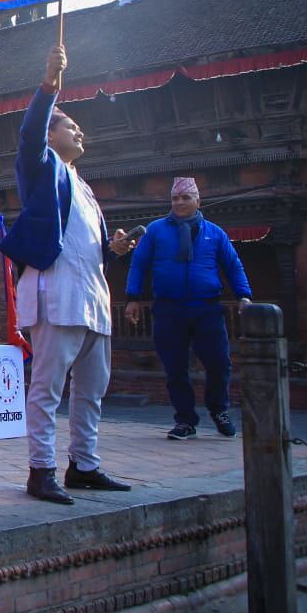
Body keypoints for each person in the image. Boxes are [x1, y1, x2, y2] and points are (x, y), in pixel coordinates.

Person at [0, 44, 136, 505]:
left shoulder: (85, 188)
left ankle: (84, 465)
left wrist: (114, 248)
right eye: (70, 125)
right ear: (51, 134)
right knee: (48, 387)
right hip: (56, 293)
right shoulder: (42, 169)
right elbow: (29, 133)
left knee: (92, 389)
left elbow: (85, 245)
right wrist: (49, 86)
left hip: (93, 296)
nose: (79, 132)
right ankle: (41, 470)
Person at [124, 177, 253, 440]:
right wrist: (132, 297)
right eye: (175, 198)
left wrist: (244, 295)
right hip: (168, 309)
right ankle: (185, 420)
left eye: (185, 198)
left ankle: (219, 410)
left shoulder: (214, 233)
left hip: (207, 308)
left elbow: (233, 265)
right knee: (175, 368)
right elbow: (138, 264)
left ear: (198, 201)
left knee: (219, 363)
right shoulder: (156, 230)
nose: (180, 203)